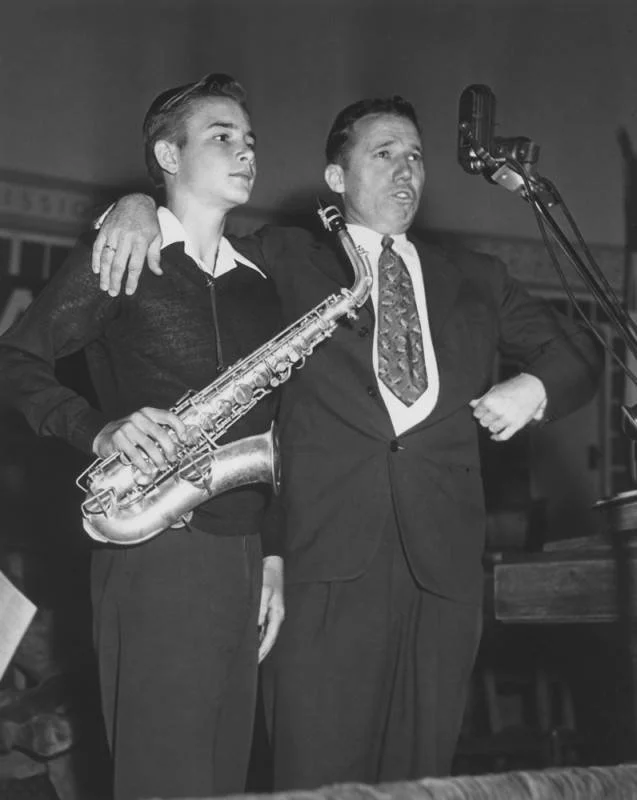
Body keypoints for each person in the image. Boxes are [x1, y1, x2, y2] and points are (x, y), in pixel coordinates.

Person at [92, 94, 603, 790]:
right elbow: (189, 221)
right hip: (322, 568)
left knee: (422, 781)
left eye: (416, 156)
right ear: (335, 178)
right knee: (317, 781)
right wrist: (129, 205)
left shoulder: (477, 278)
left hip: (443, 576)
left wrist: (532, 388)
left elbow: (578, 353)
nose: (406, 170)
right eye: (383, 153)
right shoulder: (284, 255)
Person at [0, 73, 285, 800]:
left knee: (225, 779)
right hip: (156, 545)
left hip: (246, 556)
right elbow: (15, 358)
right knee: (163, 781)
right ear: (167, 152)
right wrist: (96, 430)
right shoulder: (124, 252)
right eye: (221, 137)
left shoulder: (263, 280)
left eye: (249, 140)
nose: (244, 151)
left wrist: (275, 558)